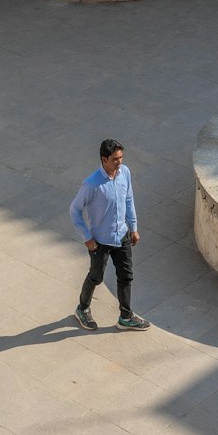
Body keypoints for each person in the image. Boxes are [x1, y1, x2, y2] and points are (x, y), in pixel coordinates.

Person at [69, 138, 151, 330]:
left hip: (122, 236)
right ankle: (82, 308)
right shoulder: (91, 184)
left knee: (126, 276)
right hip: (100, 241)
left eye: (121, 157)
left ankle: (126, 317)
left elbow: (129, 199)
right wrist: (87, 237)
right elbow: (74, 210)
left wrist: (134, 227)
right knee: (96, 277)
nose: (119, 162)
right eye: (115, 159)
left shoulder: (125, 173)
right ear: (104, 159)